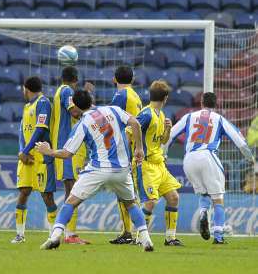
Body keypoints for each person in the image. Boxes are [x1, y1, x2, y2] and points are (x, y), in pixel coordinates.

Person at [36, 90, 154, 251]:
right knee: (131, 204)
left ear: (76, 106)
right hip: (121, 170)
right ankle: (146, 239)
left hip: (98, 169)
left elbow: (66, 153)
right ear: (92, 100)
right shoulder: (114, 110)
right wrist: (139, 148)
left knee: (71, 202)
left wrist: (48, 151)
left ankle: (55, 236)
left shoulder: (83, 123)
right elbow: (135, 123)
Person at [164, 92, 255, 244]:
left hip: (189, 159)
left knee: (204, 194)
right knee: (218, 199)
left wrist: (164, 153)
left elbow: (171, 135)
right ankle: (218, 236)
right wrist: (250, 158)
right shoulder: (219, 119)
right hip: (208, 156)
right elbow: (239, 141)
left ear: (201, 103)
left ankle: (203, 213)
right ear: (216, 104)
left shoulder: (188, 116)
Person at [132, 79, 183, 246]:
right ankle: (139, 237)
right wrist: (135, 152)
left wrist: (168, 129)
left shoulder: (160, 115)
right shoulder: (146, 114)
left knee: (173, 197)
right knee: (150, 202)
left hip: (159, 164)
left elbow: (162, 140)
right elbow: (129, 131)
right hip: (146, 164)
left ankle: (170, 238)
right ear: (166, 97)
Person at [11, 76, 58, 244]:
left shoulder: (43, 103)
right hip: (26, 156)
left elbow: (40, 129)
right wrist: (21, 152)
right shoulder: (26, 106)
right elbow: (21, 131)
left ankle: (53, 235)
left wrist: (26, 150)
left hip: (41, 155)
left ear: (26, 88)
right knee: (24, 192)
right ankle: (19, 234)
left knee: (47, 195)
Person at [50, 66, 89, 244]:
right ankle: (69, 234)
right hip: (65, 144)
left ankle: (66, 232)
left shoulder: (60, 90)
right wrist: (88, 106)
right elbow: (74, 111)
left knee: (72, 188)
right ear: (75, 80)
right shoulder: (67, 91)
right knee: (72, 189)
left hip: (65, 143)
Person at [109, 65, 143, 244]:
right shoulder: (135, 95)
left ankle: (128, 232)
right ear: (133, 79)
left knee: (123, 190)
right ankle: (130, 231)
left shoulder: (120, 95)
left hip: (124, 146)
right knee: (128, 189)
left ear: (114, 79)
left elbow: (112, 119)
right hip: (133, 143)